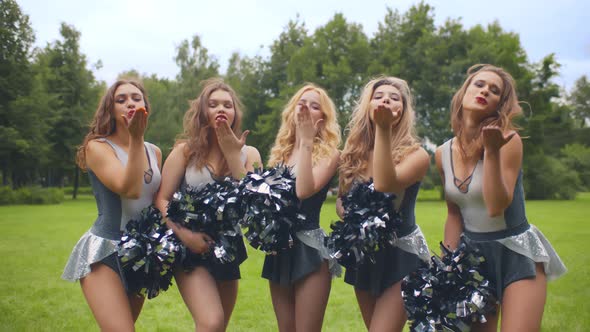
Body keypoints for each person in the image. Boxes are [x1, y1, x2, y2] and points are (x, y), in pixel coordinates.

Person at [435, 64, 567, 331]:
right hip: (473, 259)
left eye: (494, 91)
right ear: (463, 93)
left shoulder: (509, 141)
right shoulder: (441, 153)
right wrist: (447, 268)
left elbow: (496, 206)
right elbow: (453, 213)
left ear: (498, 105)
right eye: (479, 84)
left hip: (517, 254)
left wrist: (492, 152)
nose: (485, 91)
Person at [155, 78, 261, 332]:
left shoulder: (250, 154)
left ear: (236, 113)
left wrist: (233, 155)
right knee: (211, 322)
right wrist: (186, 236)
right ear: (203, 112)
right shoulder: (185, 152)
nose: (221, 109)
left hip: (227, 247)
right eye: (213, 104)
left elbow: (255, 204)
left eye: (228, 104)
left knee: (218, 326)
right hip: (188, 247)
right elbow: (161, 199)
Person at [62, 79, 162, 331]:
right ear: (111, 109)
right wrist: (137, 138)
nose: (130, 102)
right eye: (121, 99)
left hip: (139, 254)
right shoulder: (97, 147)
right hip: (104, 253)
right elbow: (129, 188)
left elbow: (158, 200)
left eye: (136, 98)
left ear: (145, 106)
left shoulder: (155, 152)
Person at [338, 77, 431, 331]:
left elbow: (385, 184)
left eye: (394, 97)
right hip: (365, 256)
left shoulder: (417, 154)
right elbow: (341, 200)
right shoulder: (353, 152)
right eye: (378, 96)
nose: (386, 100)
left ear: (403, 110)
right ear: (368, 105)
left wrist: (383, 129)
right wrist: (346, 212)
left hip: (403, 255)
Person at [262, 84, 341, 332]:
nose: (306, 107)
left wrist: (307, 142)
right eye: (301, 102)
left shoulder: (330, 154)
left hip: (310, 251)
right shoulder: (279, 154)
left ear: (322, 119)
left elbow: (304, 190)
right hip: (279, 250)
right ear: (292, 111)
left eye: (314, 105)